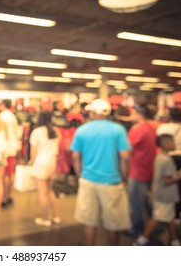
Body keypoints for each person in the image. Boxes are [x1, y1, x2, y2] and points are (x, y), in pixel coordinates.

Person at [71, 99, 131, 246]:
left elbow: (75, 156)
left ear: (92, 112)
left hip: (88, 180)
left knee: (89, 222)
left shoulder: (82, 130)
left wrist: (80, 175)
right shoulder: (118, 130)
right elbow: (125, 157)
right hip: (112, 181)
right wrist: (125, 178)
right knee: (113, 223)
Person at [134, 134, 181, 246]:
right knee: (158, 218)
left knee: (169, 218)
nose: (174, 144)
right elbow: (168, 180)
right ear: (165, 144)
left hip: (162, 193)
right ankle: (142, 240)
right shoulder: (166, 160)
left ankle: (174, 240)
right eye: (172, 142)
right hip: (165, 195)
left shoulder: (160, 157)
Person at [127, 104, 157, 237]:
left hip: (138, 171)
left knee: (136, 202)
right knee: (144, 200)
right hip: (148, 169)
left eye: (133, 113)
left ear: (139, 114)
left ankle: (137, 228)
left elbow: (126, 150)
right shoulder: (151, 128)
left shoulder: (137, 130)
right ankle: (156, 222)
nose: (131, 115)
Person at [29, 111, 61, 227]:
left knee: (42, 193)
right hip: (52, 162)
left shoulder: (37, 132)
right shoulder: (56, 131)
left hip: (41, 163)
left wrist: (31, 163)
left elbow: (33, 153)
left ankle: (45, 218)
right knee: (50, 190)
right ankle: (55, 216)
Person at [0, 99, 20, 207]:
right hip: (13, 147)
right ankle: (9, 195)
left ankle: (3, 198)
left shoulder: (2, 116)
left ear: (3, 105)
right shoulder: (13, 116)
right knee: (11, 173)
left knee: (5, 174)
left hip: (5, 148)